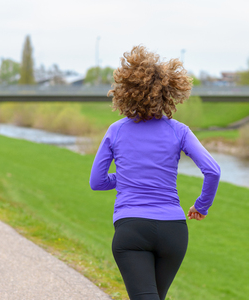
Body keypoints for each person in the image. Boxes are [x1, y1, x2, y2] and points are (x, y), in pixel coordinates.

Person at [89, 45, 221, 300]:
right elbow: (212, 171)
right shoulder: (179, 130)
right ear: (170, 92)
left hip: (132, 230)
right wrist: (201, 206)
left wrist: (125, 179)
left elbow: (97, 182)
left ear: (125, 92)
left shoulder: (116, 130)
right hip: (174, 231)